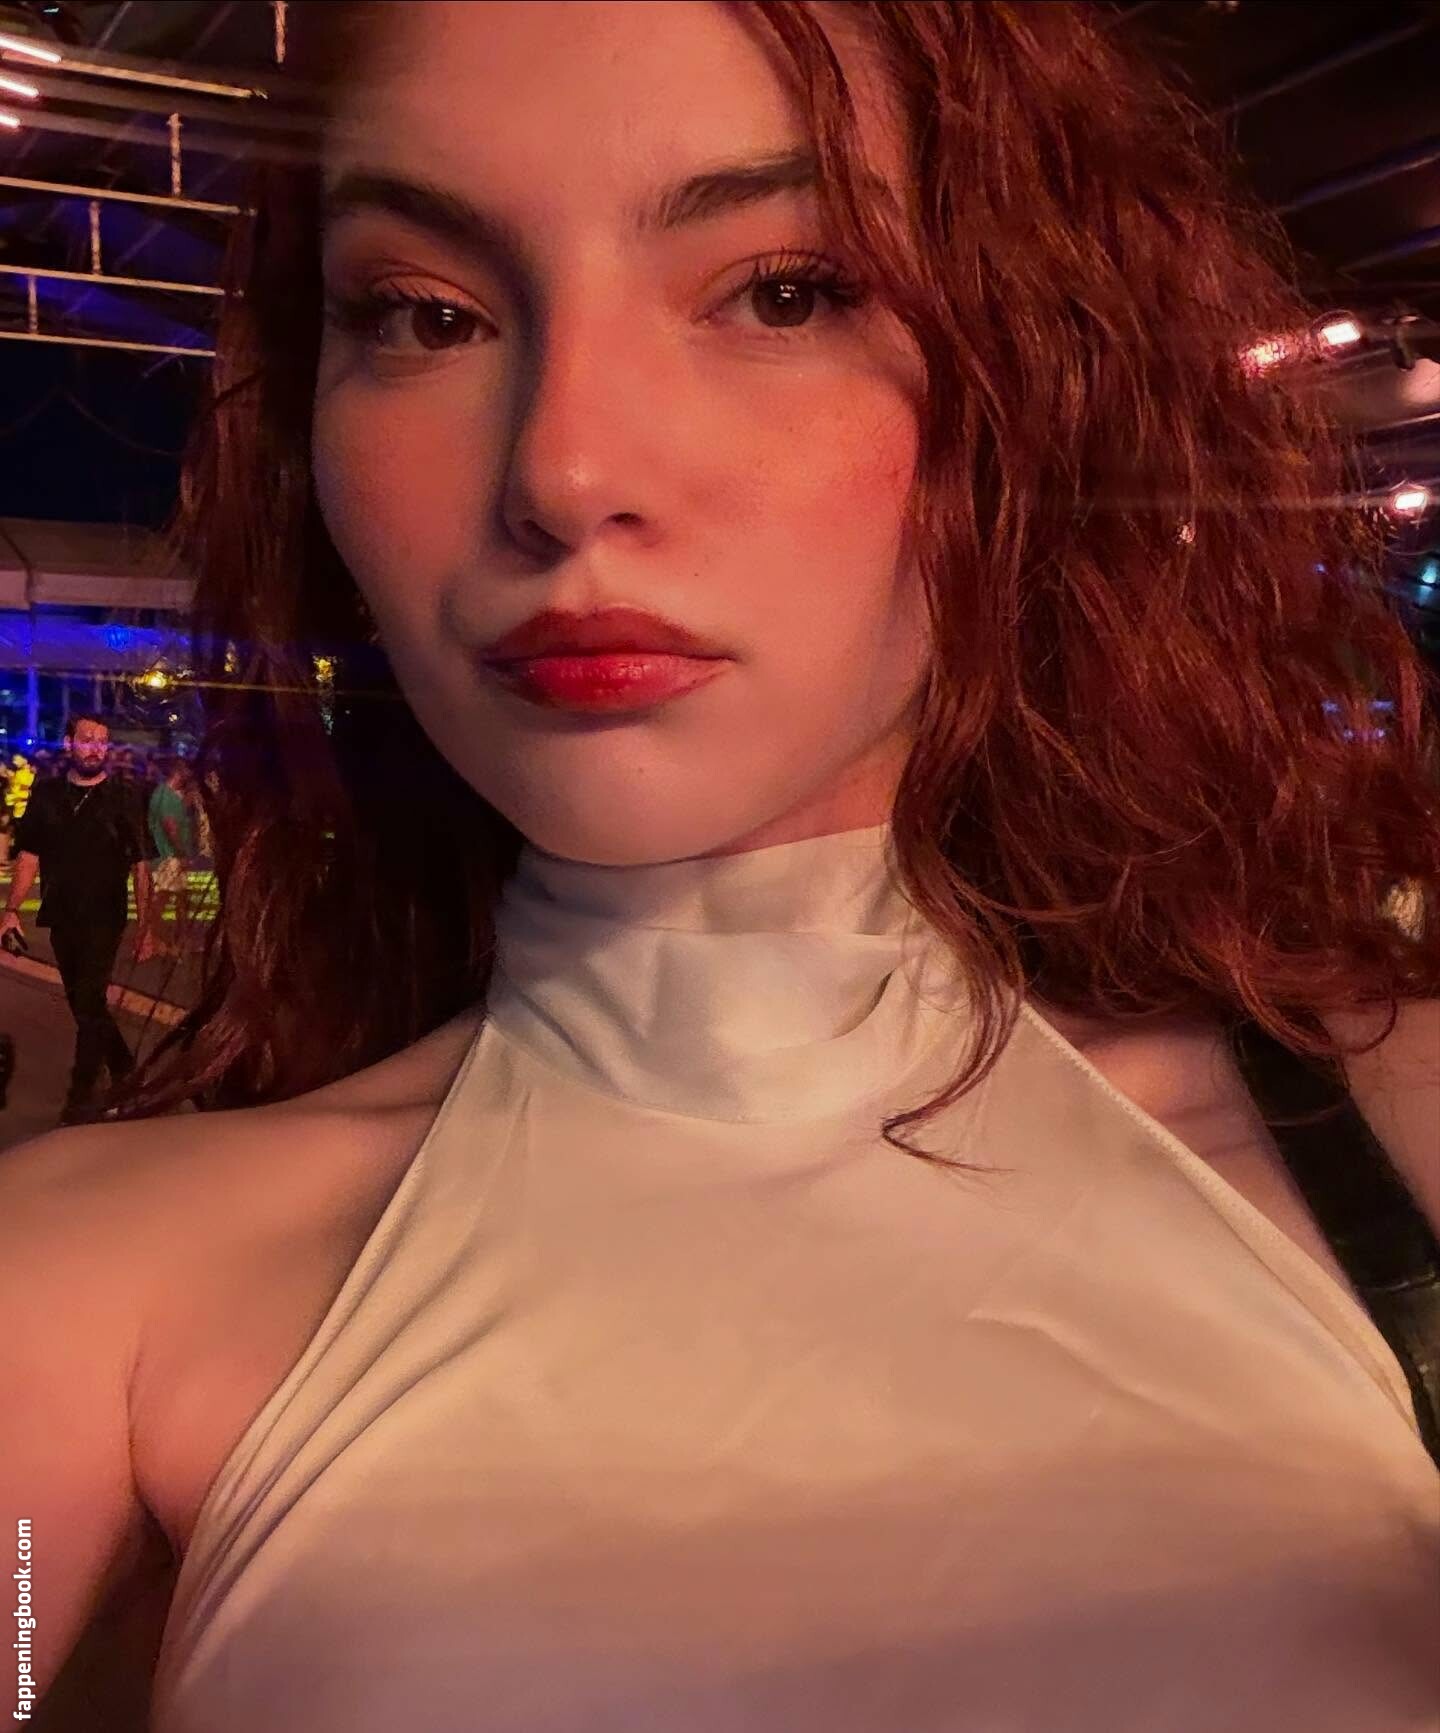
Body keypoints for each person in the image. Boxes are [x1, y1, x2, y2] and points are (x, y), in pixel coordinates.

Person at [3, 4, 1439, 1729]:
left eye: (786, 292)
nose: (566, 470)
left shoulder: (1396, 1144)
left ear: (1048, 374)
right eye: (425, 314)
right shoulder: (87, 1284)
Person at [0, 713, 152, 1124]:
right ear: (69, 744)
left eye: (102, 741)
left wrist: (147, 926)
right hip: (61, 915)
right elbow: (29, 856)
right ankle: (124, 1068)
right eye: (87, 739)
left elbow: (141, 865)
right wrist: (11, 911)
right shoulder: (47, 794)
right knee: (86, 1003)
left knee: (87, 1004)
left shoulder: (123, 796)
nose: (95, 748)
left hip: (106, 916)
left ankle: (82, 1097)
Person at [137, 756, 198, 961]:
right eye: (186, 771)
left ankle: (177, 941)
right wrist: (181, 852)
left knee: (181, 900)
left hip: (169, 855)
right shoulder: (166, 796)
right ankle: (151, 939)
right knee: (163, 900)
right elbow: (170, 827)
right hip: (169, 856)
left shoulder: (167, 794)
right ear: (179, 771)